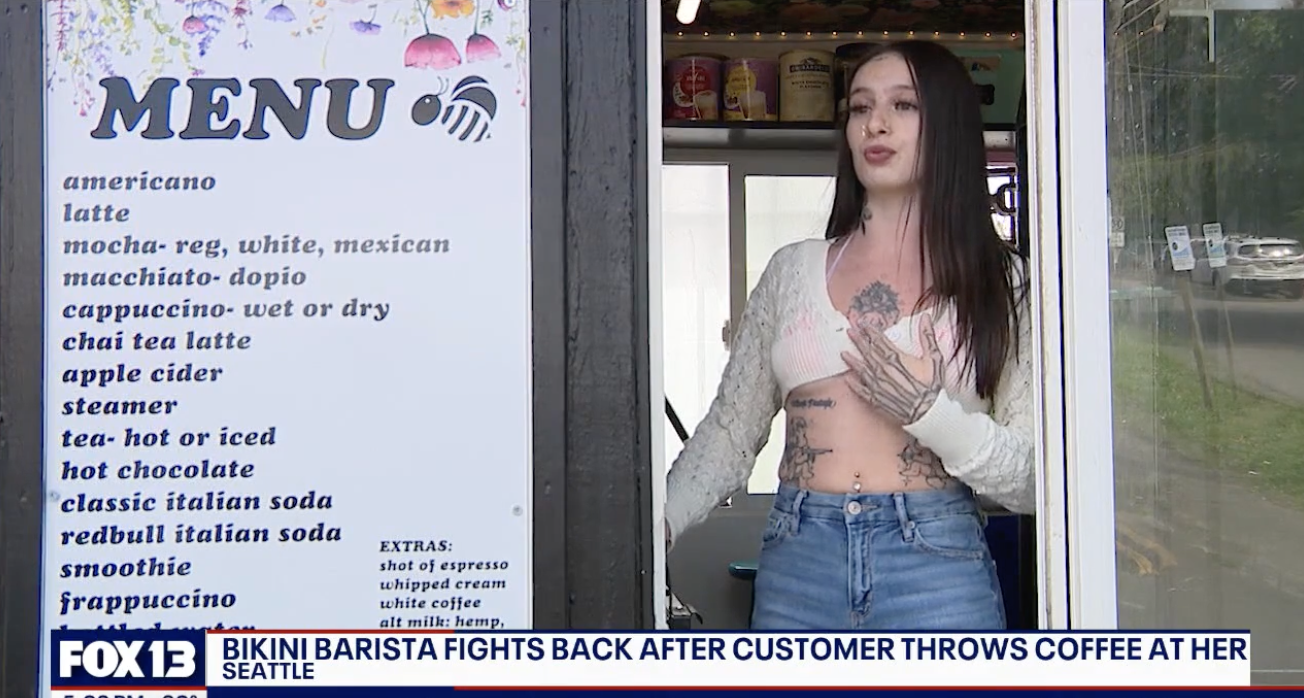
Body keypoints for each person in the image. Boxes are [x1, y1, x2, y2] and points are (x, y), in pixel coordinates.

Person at [662, 40, 1035, 630]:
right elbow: (730, 436)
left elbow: (1035, 478)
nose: (876, 123)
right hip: (800, 558)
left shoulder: (999, 281)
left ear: (949, 125)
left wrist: (930, 412)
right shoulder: (793, 272)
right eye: (860, 108)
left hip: (936, 563)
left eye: (903, 105)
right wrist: (659, 523)